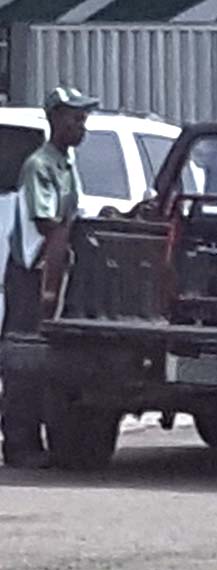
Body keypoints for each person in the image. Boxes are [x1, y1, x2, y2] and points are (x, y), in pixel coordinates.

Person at [1, 86, 98, 468]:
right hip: (32, 274)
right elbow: (50, 226)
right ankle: (19, 444)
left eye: (84, 118)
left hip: (53, 271)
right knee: (24, 362)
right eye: (75, 118)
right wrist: (48, 292)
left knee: (47, 363)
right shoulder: (39, 165)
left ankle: (40, 440)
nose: (82, 125)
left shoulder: (66, 162)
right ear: (56, 119)